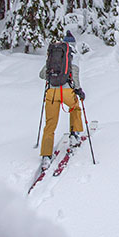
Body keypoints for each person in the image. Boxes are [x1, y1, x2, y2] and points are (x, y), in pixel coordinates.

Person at [38, 30, 86, 171]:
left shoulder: (54, 54)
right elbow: (75, 74)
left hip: (51, 92)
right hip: (66, 91)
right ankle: (74, 134)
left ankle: (46, 155)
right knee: (75, 107)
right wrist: (78, 89)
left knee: (50, 124)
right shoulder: (72, 55)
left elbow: (42, 75)